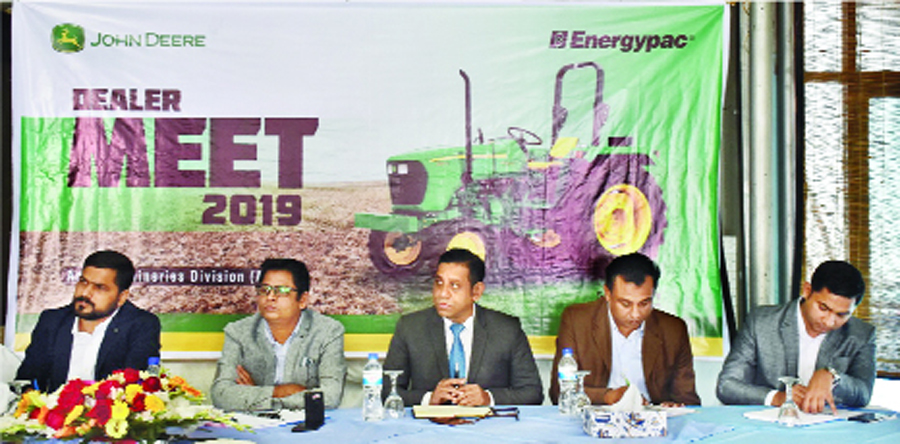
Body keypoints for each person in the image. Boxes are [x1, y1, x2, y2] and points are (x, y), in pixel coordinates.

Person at [383, 248, 543, 406]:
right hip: (431, 422)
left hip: (486, 422)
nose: (442, 294)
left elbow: (532, 393)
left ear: (476, 291)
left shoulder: (506, 329)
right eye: (439, 283)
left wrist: (488, 398)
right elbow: (387, 392)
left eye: (454, 285)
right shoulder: (410, 328)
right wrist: (429, 399)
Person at [716, 260, 876, 414]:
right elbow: (727, 385)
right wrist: (776, 397)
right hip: (767, 424)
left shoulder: (861, 334)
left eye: (841, 315)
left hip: (826, 426)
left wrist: (833, 377)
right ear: (807, 291)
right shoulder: (761, 322)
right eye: (823, 308)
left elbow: (863, 394)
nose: (829, 321)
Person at [550, 252, 700, 406]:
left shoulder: (673, 329)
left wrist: (674, 407)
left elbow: (687, 399)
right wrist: (608, 396)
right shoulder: (577, 320)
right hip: (595, 414)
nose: (635, 314)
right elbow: (559, 391)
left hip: (651, 416)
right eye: (625, 304)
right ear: (608, 294)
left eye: (644, 303)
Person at [211, 258, 346, 411]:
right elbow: (221, 395)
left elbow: (330, 396)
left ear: (302, 300)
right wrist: (281, 392)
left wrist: (256, 397)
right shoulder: (238, 332)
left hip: (306, 422)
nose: (270, 297)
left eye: (281, 291)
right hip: (253, 423)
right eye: (264, 290)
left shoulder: (328, 331)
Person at [16, 250, 161, 393]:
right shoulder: (52, 321)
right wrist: (30, 394)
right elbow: (27, 378)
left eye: (100, 288)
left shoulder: (141, 325)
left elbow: (136, 387)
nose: (85, 293)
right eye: (83, 282)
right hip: (54, 407)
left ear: (122, 297)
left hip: (111, 407)